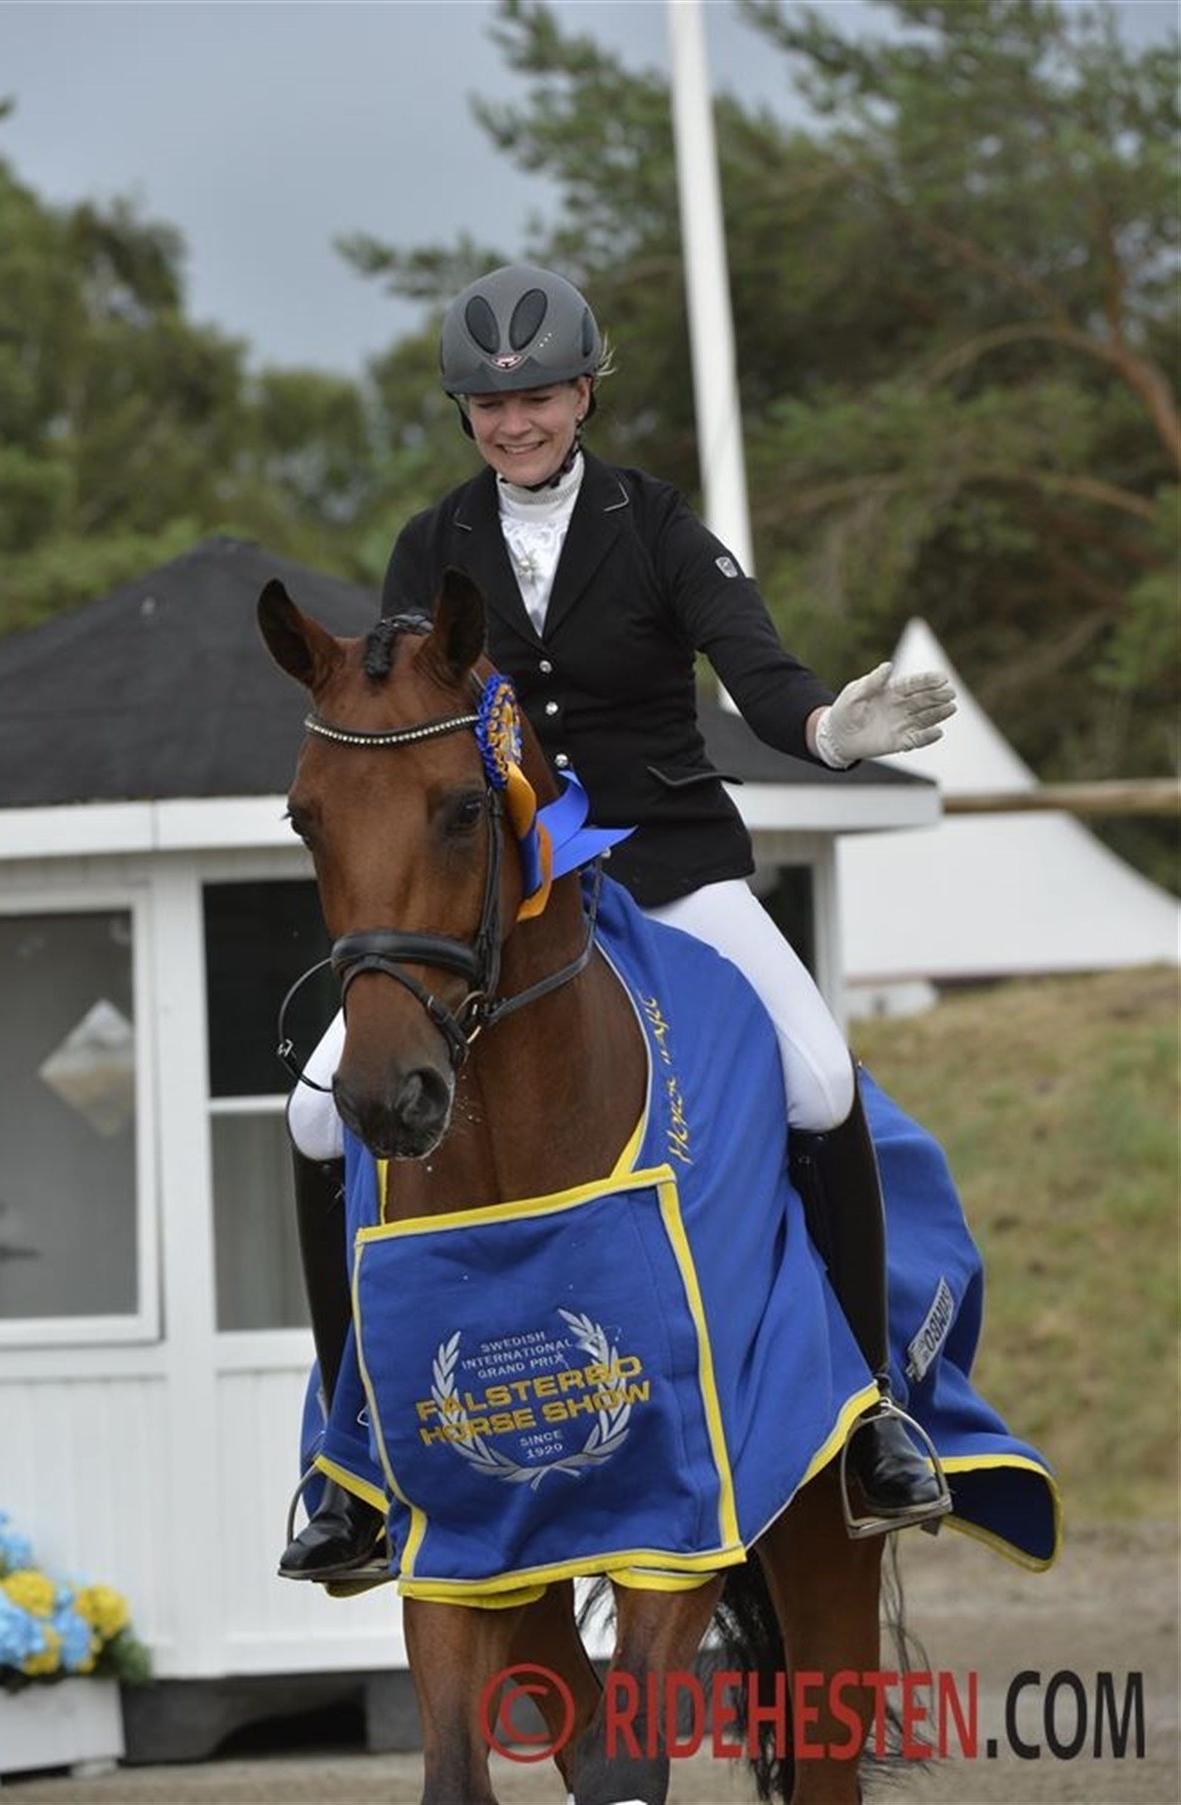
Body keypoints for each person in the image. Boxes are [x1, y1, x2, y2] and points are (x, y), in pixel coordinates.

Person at [279, 264, 956, 1582]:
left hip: (670, 863)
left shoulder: (655, 523)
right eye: (489, 404)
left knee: (820, 1078)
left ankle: (874, 1410)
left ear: (584, 392)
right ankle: (348, 1460)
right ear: (465, 413)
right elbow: (411, 707)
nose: (514, 421)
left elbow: (752, 667)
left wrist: (831, 730)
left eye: (536, 396)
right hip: (518, 890)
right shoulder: (431, 541)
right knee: (314, 1116)